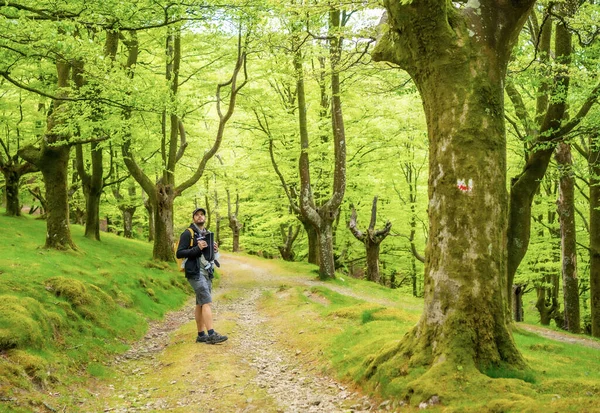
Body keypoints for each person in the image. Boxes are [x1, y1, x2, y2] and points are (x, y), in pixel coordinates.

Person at [176, 207, 228, 344]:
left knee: (200, 303)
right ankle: (211, 334)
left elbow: (209, 255)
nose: (200, 217)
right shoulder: (188, 233)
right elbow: (179, 253)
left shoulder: (208, 233)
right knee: (206, 301)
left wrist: (214, 249)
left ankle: (201, 335)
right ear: (193, 218)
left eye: (202, 215)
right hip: (195, 272)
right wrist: (197, 248)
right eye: (197, 215)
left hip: (207, 271)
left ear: (205, 218)